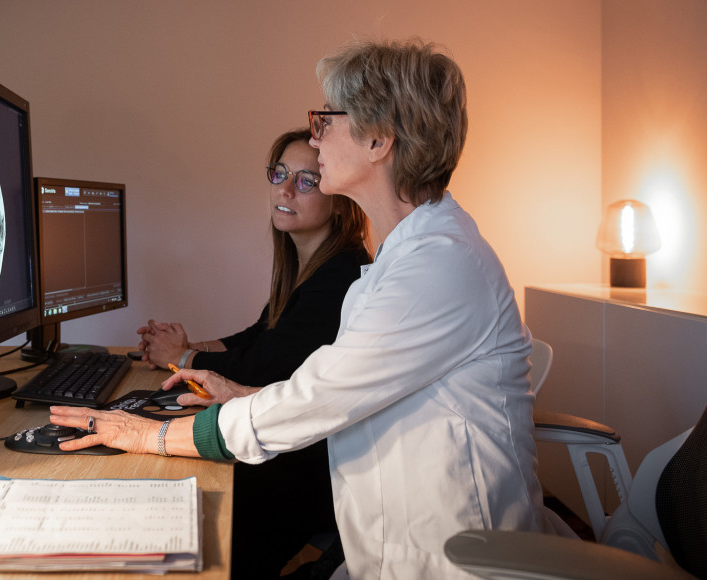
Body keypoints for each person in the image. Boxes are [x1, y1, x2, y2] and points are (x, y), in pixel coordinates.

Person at [50, 38, 568, 579]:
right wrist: (245, 393)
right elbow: (344, 388)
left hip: (454, 563)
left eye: (327, 119)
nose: (316, 136)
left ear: (378, 140)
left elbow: (316, 398)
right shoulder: (406, 259)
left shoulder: (436, 268)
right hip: (391, 545)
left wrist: (147, 435)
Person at [137, 127, 371, 577]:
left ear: (338, 197)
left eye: (306, 180)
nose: (284, 189)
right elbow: (260, 334)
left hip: (310, 471)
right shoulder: (308, 261)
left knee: (197, 516)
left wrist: (182, 359)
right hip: (295, 448)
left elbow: (266, 366)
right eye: (279, 173)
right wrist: (186, 348)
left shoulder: (338, 276)